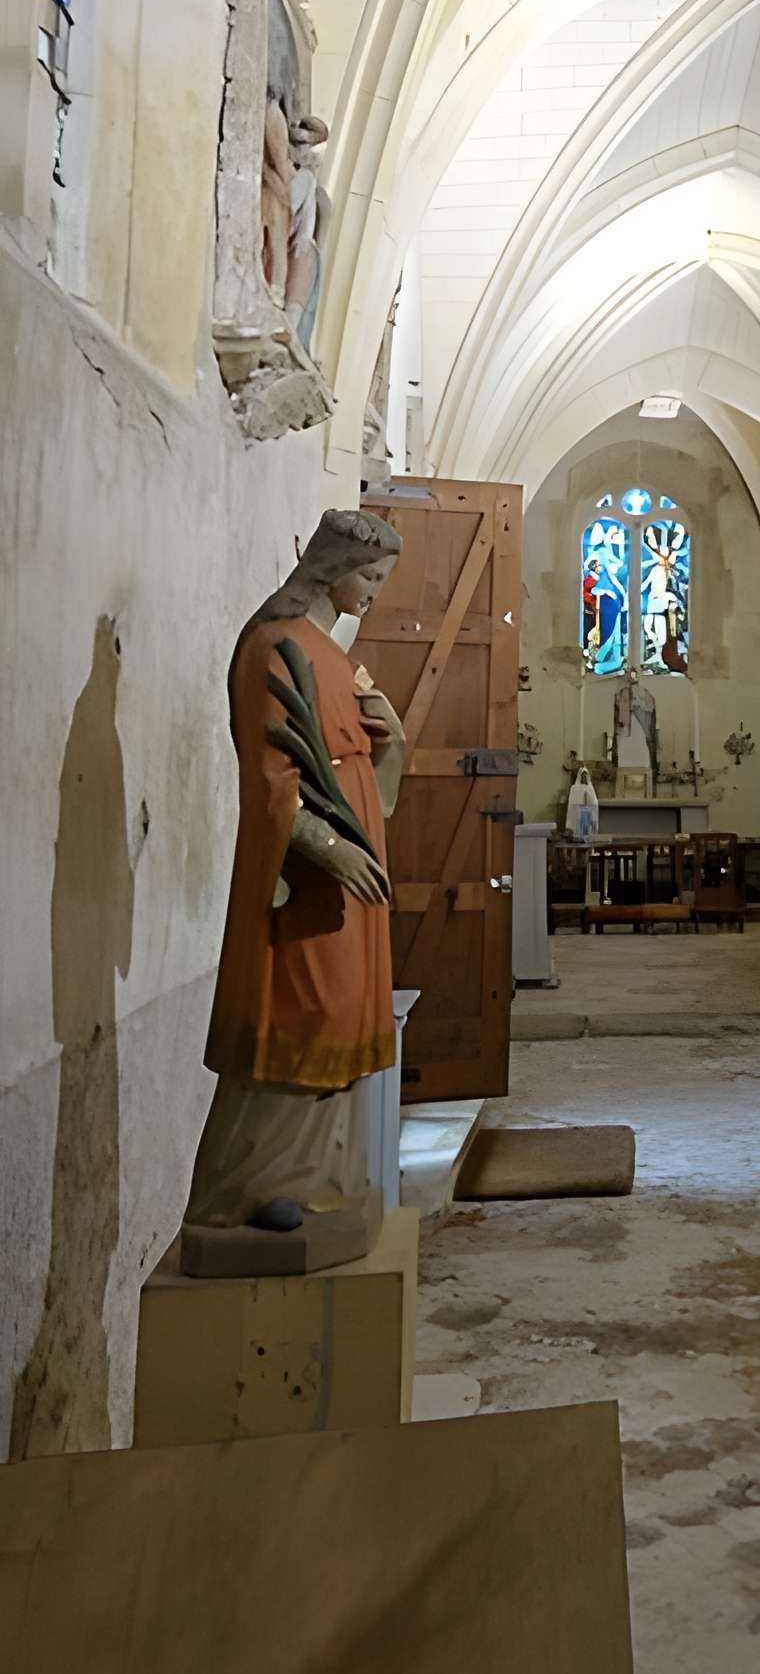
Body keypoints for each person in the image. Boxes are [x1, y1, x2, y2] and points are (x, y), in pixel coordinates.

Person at [183, 507, 406, 1261]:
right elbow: (273, 779)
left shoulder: (327, 652)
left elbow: (359, 776)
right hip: (305, 881)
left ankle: (314, 1182)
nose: (373, 591)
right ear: (333, 564)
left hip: (348, 867)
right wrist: (328, 848)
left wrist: (393, 748)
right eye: (369, 575)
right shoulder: (274, 648)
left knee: (339, 1014)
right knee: (302, 1010)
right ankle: (241, 1191)